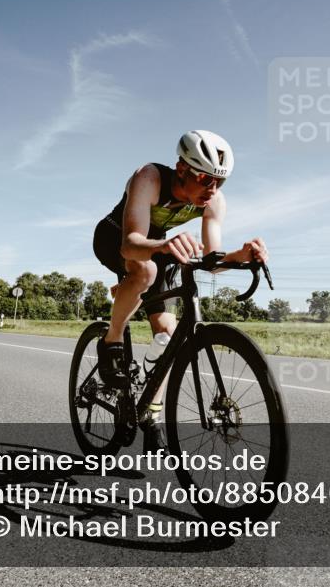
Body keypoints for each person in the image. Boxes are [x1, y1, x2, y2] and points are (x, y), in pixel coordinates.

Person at [92, 130, 268, 451]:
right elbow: (131, 245)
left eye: (220, 182)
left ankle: (151, 413)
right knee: (145, 269)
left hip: (159, 249)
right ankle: (112, 339)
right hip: (117, 237)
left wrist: (239, 256)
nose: (212, 189)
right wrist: (163, 245)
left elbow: (212, 260)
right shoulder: (150, 178)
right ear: (182, 169)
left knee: (168, 334)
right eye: (204, 179)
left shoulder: (213, 200)